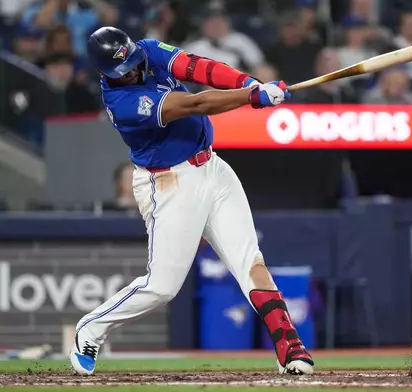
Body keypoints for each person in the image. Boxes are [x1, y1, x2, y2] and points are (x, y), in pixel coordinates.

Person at [70, 26, 313, 376]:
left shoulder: (147, 51)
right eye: (126, 70)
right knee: (162, 287)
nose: (136, 71)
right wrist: (252, 98)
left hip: (212, 166)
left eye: (136, 63)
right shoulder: (122, 103)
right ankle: (90, 328)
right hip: (169, 182)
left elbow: (199, 68)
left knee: (250, 260)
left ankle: (288, 345)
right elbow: (196, 102)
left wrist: (248, 83)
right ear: (103, 72)